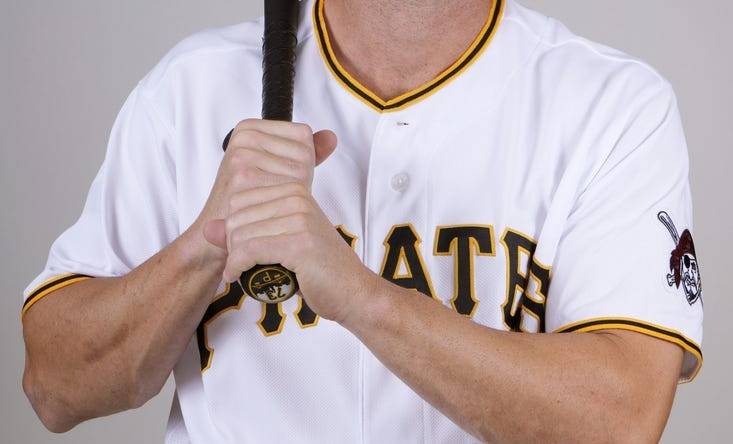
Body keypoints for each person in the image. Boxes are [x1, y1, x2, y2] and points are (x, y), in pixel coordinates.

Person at [21, 0, 704, 442]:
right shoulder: (192, 88)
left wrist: (359, 295)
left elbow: (618, 421)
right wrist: (208, 244)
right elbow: (53, 388)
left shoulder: (608, 105)